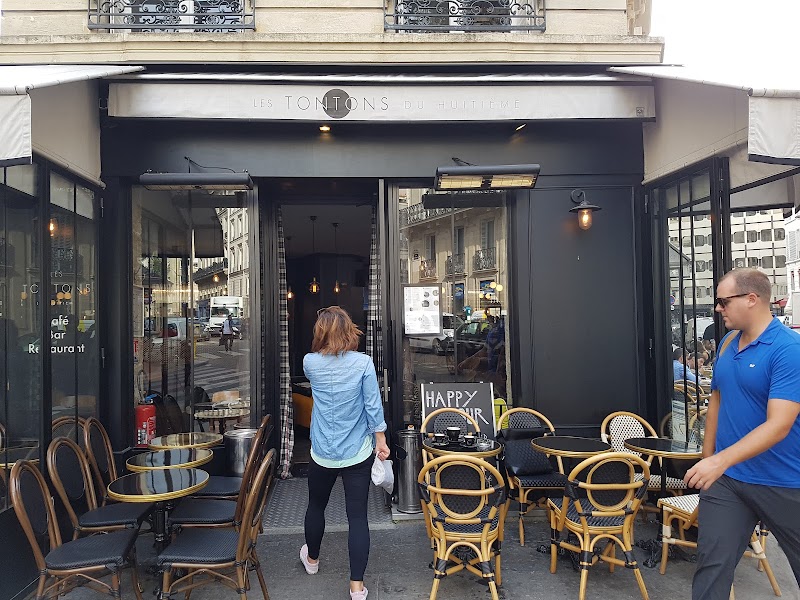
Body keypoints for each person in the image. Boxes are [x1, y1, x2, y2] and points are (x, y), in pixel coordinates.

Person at [685, 268, 800, 600]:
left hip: (784, 482)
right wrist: (709, 459)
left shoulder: (788, 350)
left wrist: (718, 461)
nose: (717, 308)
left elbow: (779, 425)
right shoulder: (727, 342)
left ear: (752, 299)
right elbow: (716, 401)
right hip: (728, 482)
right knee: (711, 569)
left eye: (723, 302)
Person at [299, 306, 390, 600]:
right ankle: (356, 587)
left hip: (322, 450)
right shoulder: (363, 363)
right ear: (350, 331)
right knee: (358, 517)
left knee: (316, 506)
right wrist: (380, 439)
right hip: (357, 451)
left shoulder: (310, 362)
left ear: (320, 332)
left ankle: (312, 560)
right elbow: (372, 405)